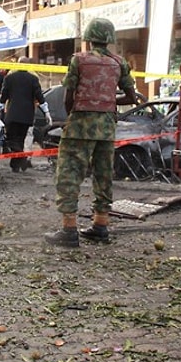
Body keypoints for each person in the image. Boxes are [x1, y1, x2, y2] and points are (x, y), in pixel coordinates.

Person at [44, 18, 137, 248]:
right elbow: (132, 98)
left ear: (88, 37)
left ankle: (68, 229)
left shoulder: (79, 60)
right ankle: (100, 226)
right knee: (104, 175)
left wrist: (72, 116)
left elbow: (68, 95)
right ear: (110, 38)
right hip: (106, 127)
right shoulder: (119, 62)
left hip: (80, 125)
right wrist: (106, 101)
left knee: (69, 174)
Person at [0, 56, 51, 173]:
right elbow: (39, 96)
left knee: (11, 140)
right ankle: (15, 165)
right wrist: (46, 112)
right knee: (20, 139)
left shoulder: (9, 78)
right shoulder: (33, 79)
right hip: (27, 115)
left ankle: (22, 159)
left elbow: (3, 96)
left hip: (12, 115)